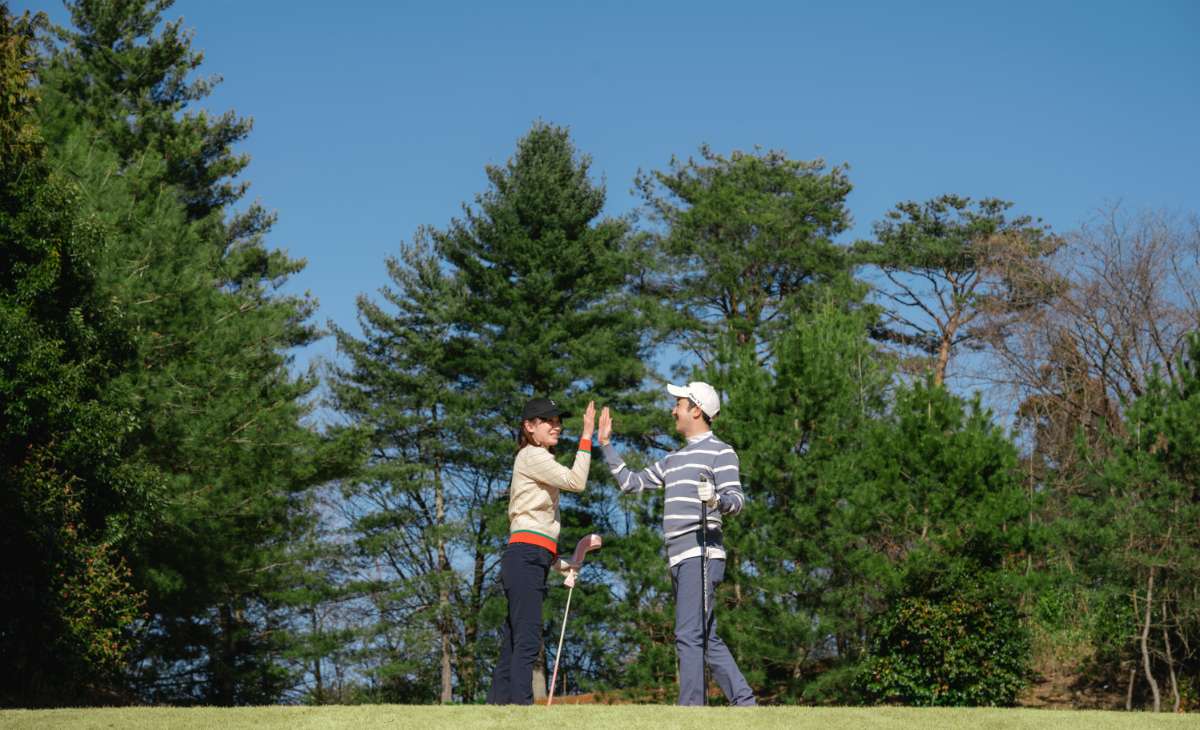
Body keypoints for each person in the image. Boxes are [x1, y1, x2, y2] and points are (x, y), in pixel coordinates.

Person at [598, 382, 756, 706]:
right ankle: (744, 703)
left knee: (688, 634)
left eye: (679, 404)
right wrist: (606, 445)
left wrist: (715, 500)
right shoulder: (673, 460)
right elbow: (631, 482)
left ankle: (691, 712)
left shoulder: (721, 451)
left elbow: (737, 500)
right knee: (704, 636)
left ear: (695, 410)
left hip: (701, 551)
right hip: (678, 555)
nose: (673, 410)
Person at [487, 396, 595, 705]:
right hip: (525, 556)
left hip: (528, 556)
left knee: (514, 639)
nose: (557, 426)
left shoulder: (535, 458)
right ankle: (521, 707)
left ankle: (498, 706)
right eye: (549, 420)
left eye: (558, 420)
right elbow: (576, 481)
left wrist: (564, 564)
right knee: (528, 638)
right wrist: (586, 436)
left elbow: (538, 537)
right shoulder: (532, 455)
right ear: (529, 427)